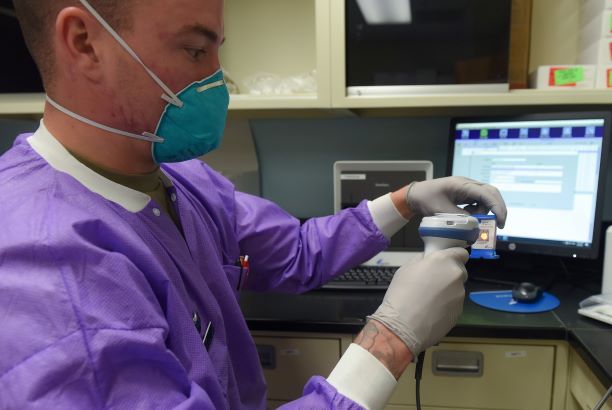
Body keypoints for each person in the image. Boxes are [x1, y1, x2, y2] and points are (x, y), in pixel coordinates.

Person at [0, 0, 507, 409]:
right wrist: (389, 343)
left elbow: (295, 251)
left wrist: (406, 201)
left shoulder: (176, 179)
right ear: (84, 43)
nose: (219, 82)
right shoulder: (47, 269)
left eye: (218, 51)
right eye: (196, 51)